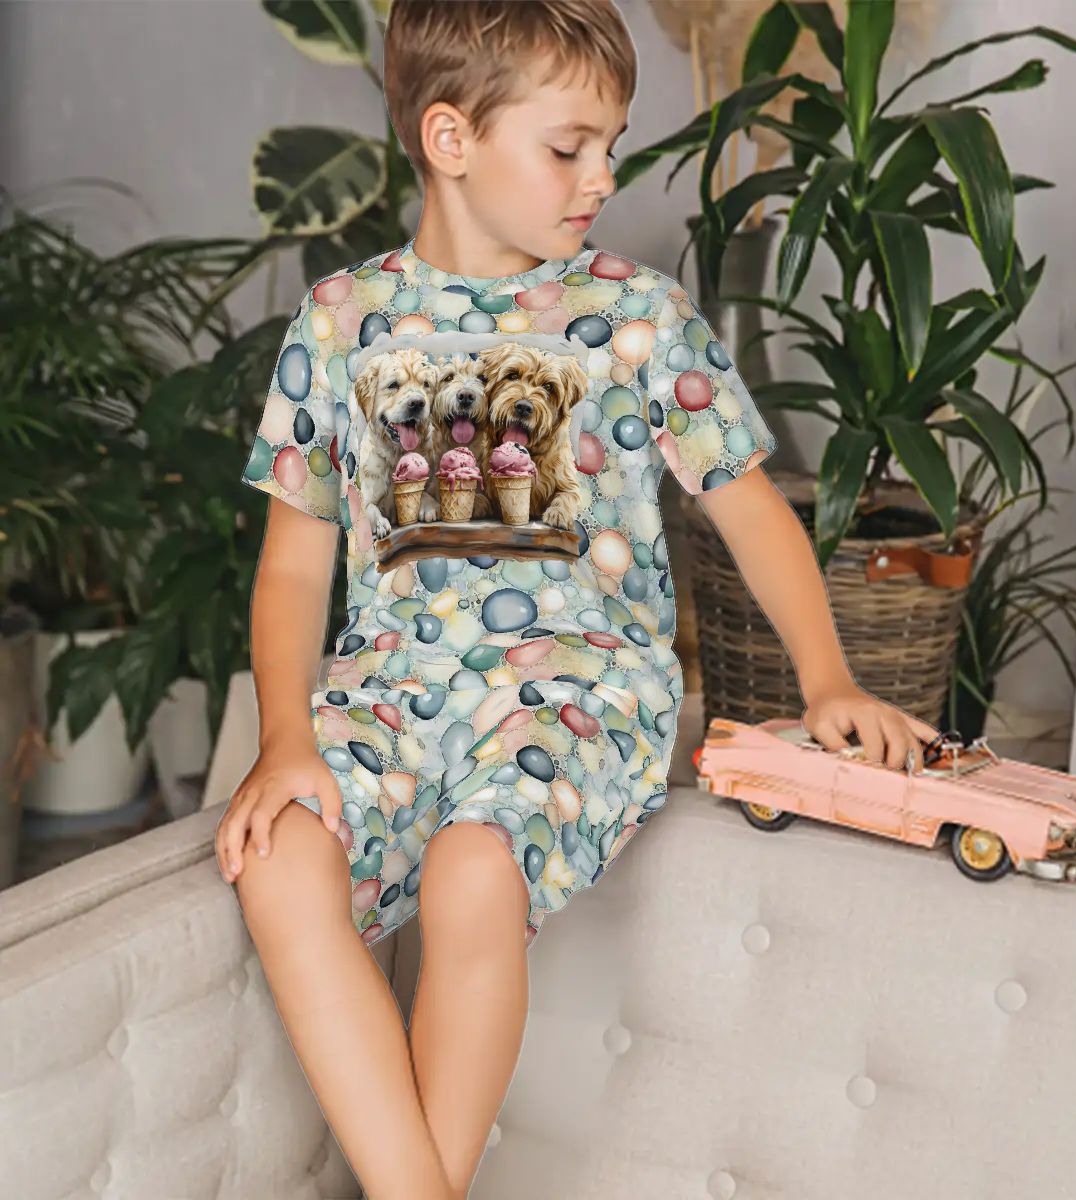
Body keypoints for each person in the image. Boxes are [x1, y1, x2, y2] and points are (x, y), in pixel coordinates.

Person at [215, 3, 939, 1197]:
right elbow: (294, 564)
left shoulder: (638, 318)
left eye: (612, 144)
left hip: (578, 689)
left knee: (472, 870)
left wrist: (827, 680)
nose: (603, 176)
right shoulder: (340, 322)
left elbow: (751, 510)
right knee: (283, 859)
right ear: (450, 138)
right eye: (569, 147)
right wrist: (287, 737)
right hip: (390, 688)